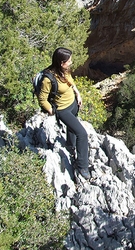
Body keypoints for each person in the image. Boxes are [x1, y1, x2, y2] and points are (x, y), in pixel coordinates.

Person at [38, 47, 90, 181]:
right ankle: (82, 166)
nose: (71, 63)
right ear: (61, 62)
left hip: (73, 104)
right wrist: (52, 111)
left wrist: (77, 94)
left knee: (72, 129)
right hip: (63, 110)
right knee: (82, 134)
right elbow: (42, 99)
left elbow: (70, 81)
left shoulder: (64, 70)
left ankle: (70, 146)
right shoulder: (48, 79)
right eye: (69, 61)